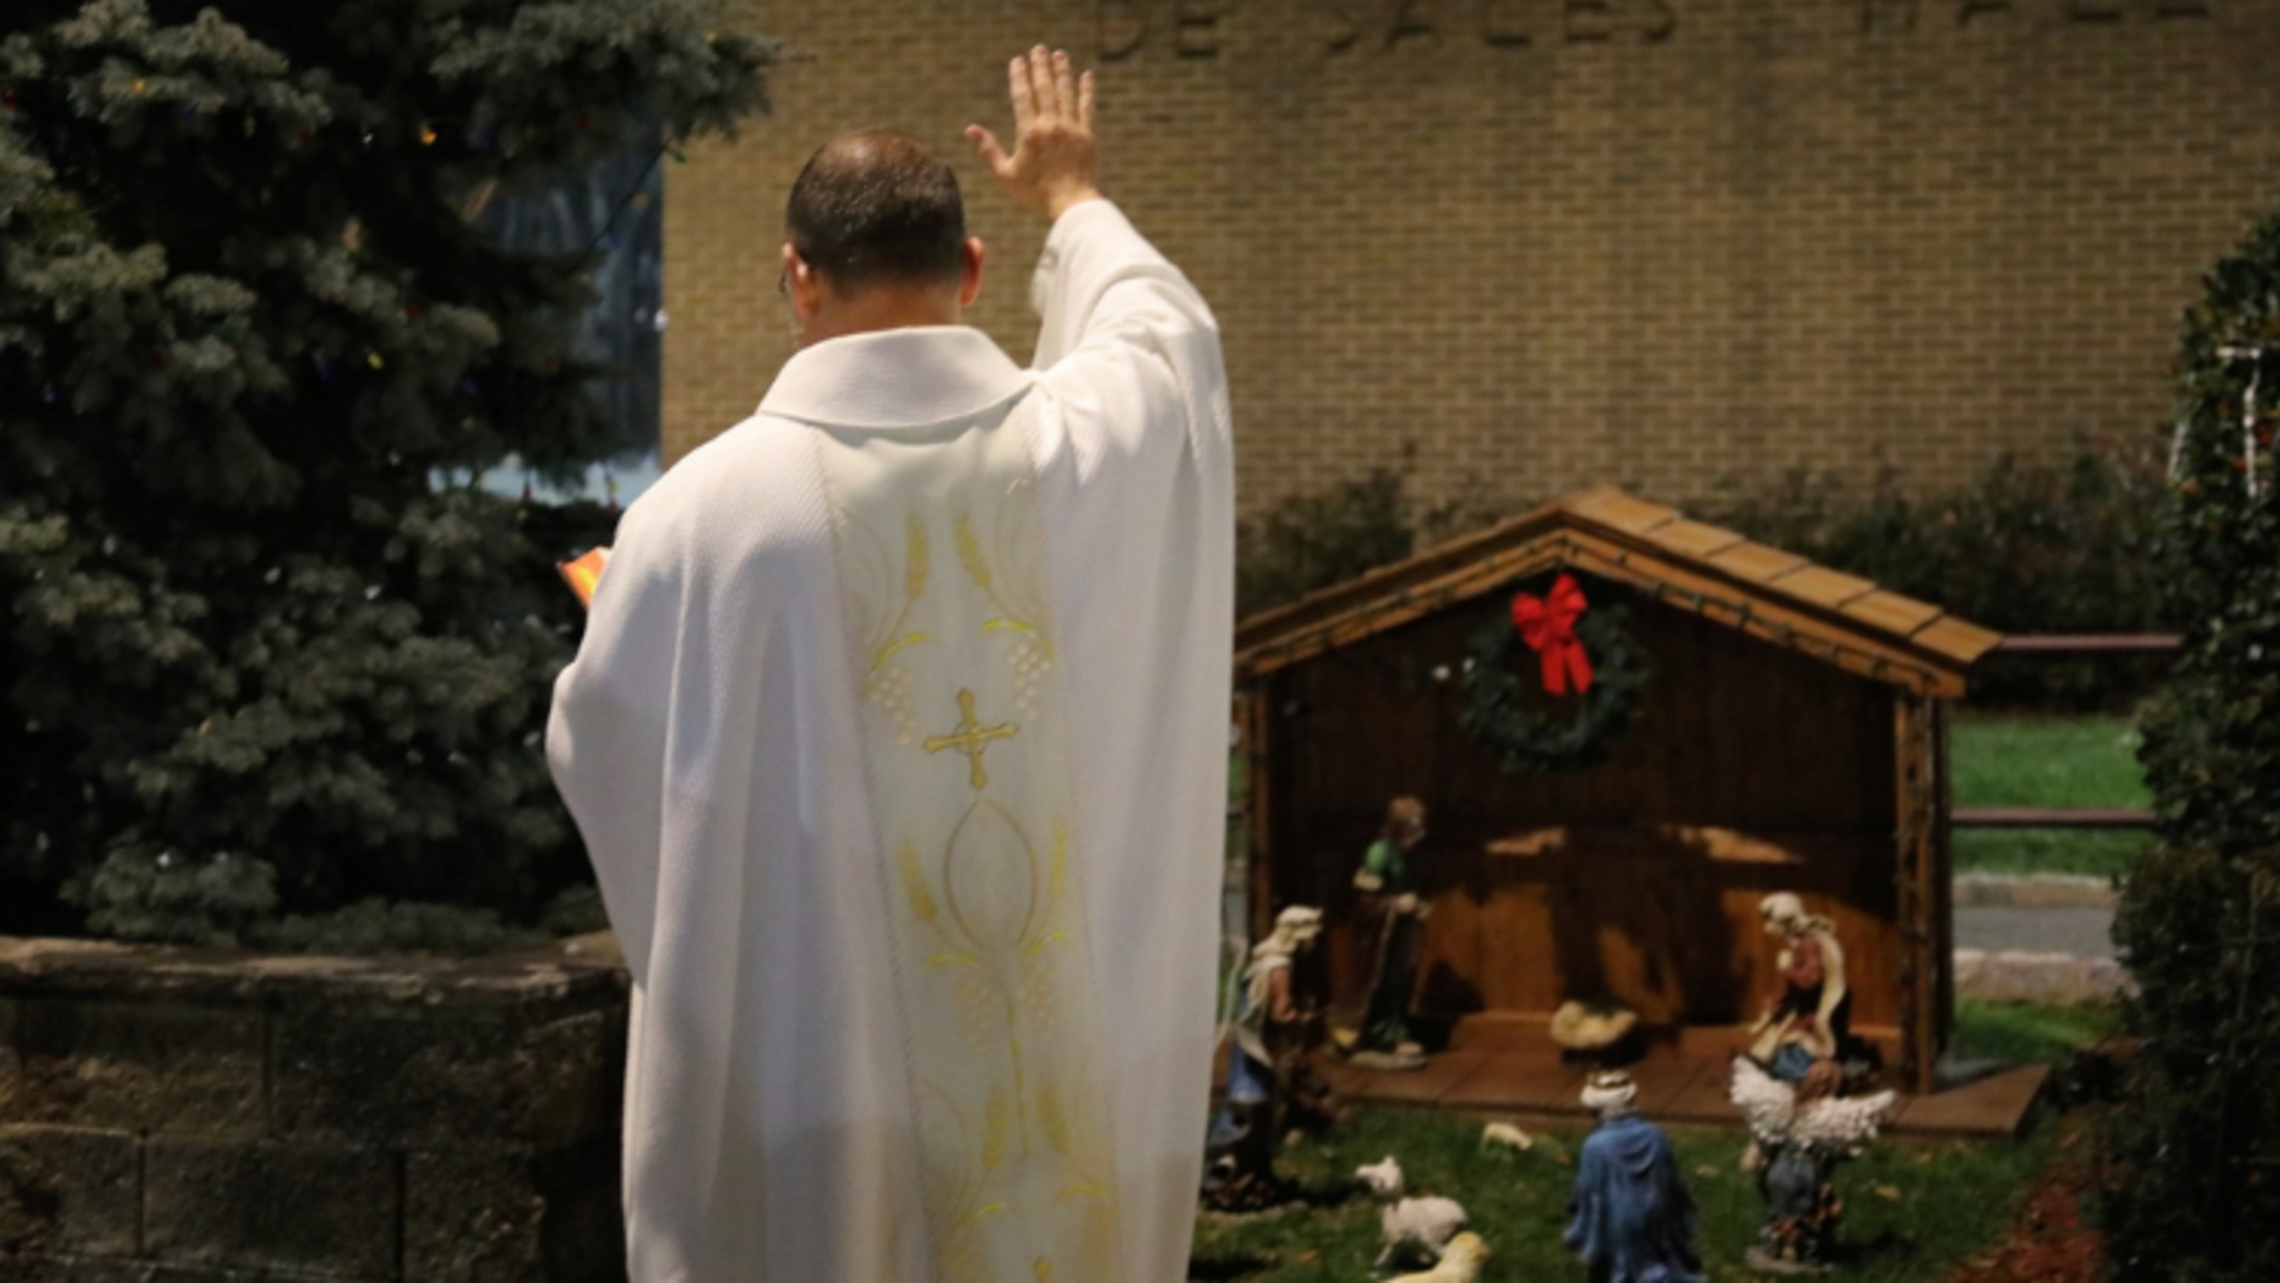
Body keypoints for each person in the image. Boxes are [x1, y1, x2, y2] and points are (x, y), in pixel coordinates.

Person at [547, 47, 1232, 1283]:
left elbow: (607, 748)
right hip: (1056, 1113)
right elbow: (1166, 334)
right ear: (971, 271)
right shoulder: (1086, 442)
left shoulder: (698, 518)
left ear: (793, 277)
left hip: (820, 1103)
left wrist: (636, 618)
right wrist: (1072, 198)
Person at [1206, 905, 1332, 1210]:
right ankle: (1237, 1185)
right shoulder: (1279, 968)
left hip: (1250, 1049)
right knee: (1252, 1120)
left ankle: (1254, 1181)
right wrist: (1306, 1022)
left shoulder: (1261, 959)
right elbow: (1281, 1012)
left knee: (1253, 1117)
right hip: (1258, 1052)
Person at [1564, 1070, 1704, 1283]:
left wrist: (1574, 1205)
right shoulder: (1654, 1134)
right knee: (1658, 1259)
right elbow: (1670, 1180)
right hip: (1657, 1210)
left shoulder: (1595, 1146)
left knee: (1626, 1271)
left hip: (1621, 1217)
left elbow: (1589, 1189)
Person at [1746, 892, 1852, 1101]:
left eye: (1771, 921)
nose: (1768, 928)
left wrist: (1786, 969)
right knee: (1769, 1046)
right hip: (1801, 1008)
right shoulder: (1800, 944)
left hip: (1811, 1013)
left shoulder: (1809, 944)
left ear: (1785, 921)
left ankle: (1813, 1078)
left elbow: (1810, 979)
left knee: (1788, 1049)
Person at [1352, 796, 1430, 1062]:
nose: (1418, 836)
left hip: (1401, 929)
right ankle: (1380, 1035)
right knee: (1383, 981)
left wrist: (1415, 905)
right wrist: (1395, 904)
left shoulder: (1407, 855)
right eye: (1412, 830)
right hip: (1382, 933)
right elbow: (1365, 899)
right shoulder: (1379, 853)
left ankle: (1396, 1028)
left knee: (1401, 981)